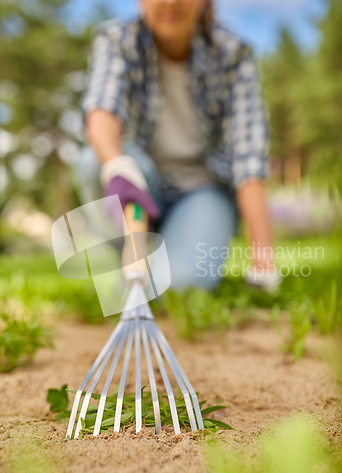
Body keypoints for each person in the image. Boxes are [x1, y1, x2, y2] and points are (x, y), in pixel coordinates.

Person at [75, 0, 281, 291]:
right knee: (93, 161)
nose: (171, 2)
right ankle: (132, 254)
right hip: (142, 183)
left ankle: (157, 267)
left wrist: (263, 263)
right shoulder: (118, 40)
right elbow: (102, 112)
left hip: (202, 189)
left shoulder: (233, 53)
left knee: (180, 285)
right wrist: (117, 164)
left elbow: (248, 161)